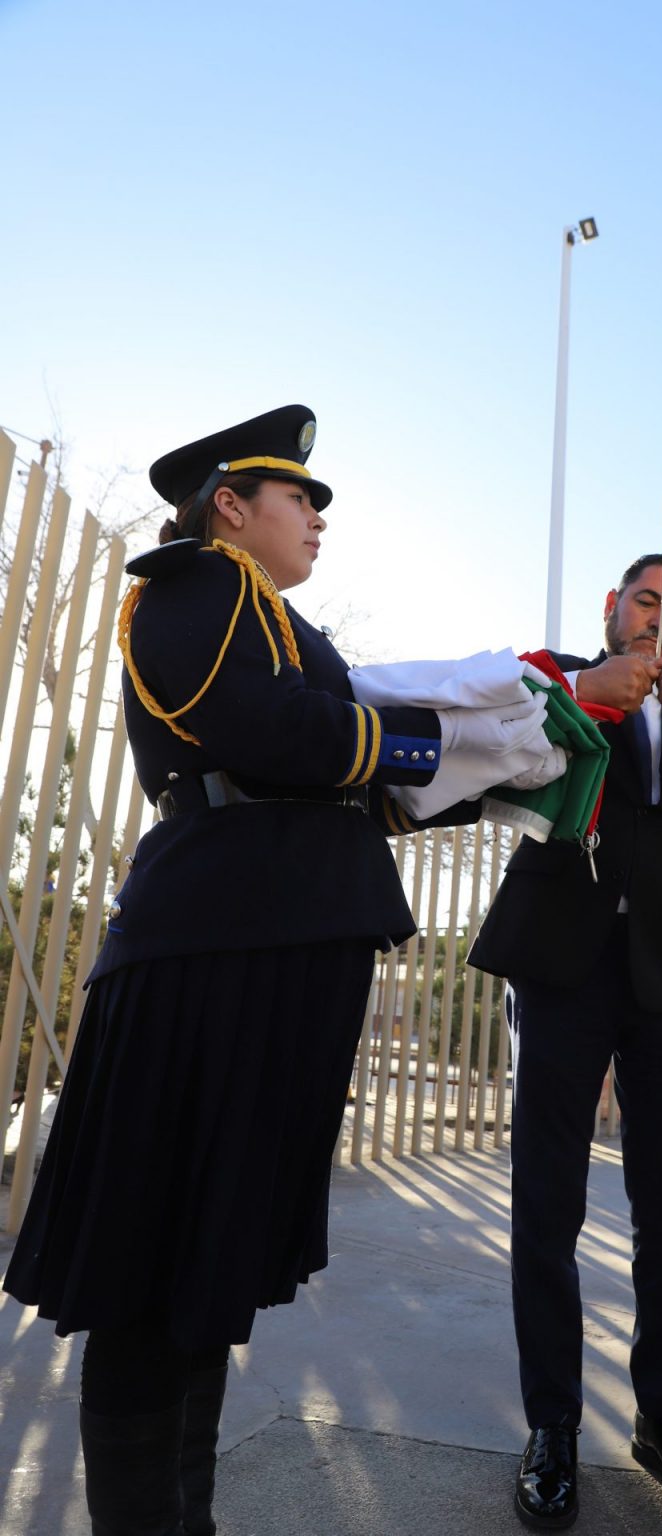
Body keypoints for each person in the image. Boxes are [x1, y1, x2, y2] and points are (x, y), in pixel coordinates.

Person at [1, 404, 496, 1536]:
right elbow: (269, 731)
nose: (318, 517)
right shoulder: (196, 584)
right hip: (213, 947)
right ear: (230, 506)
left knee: (208, 1272)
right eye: (299, 497)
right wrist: (439, 736)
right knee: (152, 1270)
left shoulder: (278, 619)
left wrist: (496, 757)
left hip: (276, 940)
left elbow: (339, 775)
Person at [469, 553, 662, 1528]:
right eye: (648, 602)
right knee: (546, 1204)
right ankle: (552, 1428)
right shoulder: (554, 680)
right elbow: (491, 758)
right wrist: (587, 695)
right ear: (612, 607)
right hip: (560, 969)